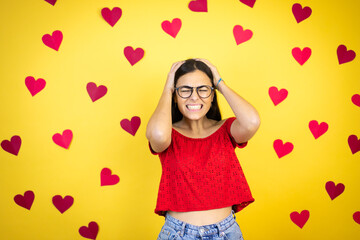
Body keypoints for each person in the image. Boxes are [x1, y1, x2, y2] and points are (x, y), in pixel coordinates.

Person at [146, 58, 260, 240]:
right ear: (175, 95)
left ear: (213, 94)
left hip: (226, 233)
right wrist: (168, 88)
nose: (194, 96)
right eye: (185, 90)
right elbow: (158, 135)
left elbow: (252, 122)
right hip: (179, 234)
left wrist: (219, 83)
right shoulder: (168, 134)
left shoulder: (226, 130)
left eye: (203, 89)